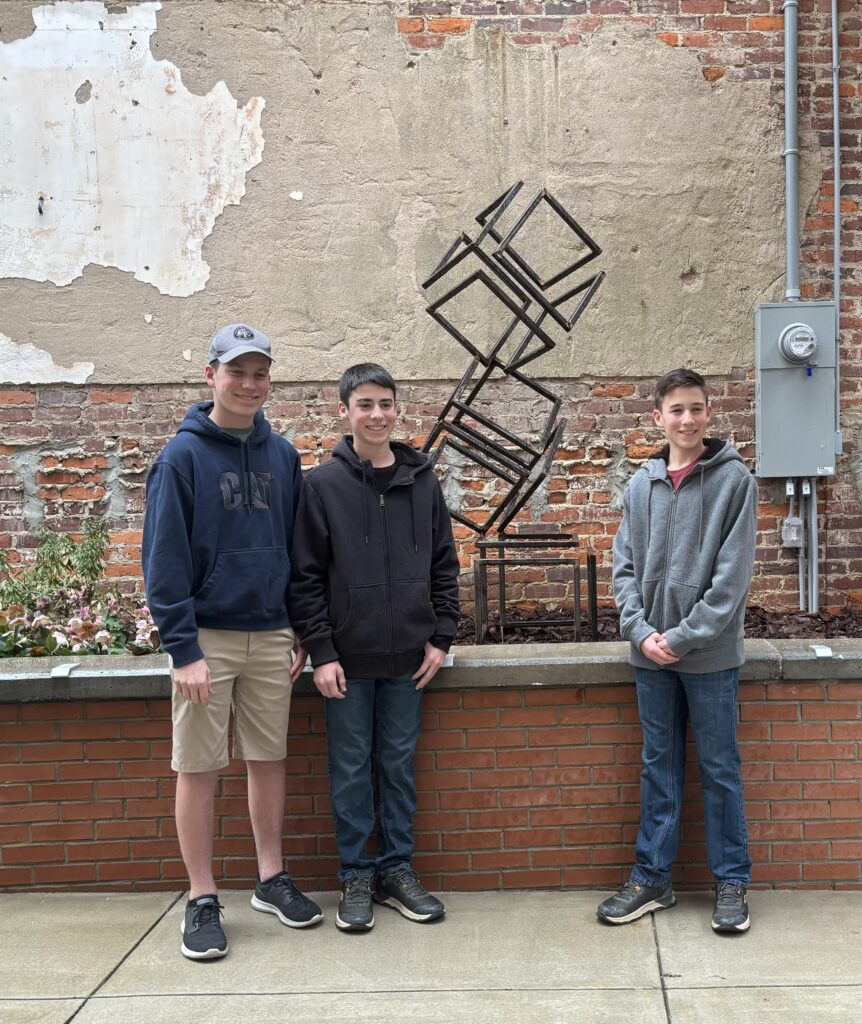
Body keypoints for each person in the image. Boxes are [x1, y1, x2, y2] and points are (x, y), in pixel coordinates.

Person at [142, 323, 322, 961]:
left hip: (270, 632)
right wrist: (182, 648)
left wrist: (298, 625)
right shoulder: (182, 457)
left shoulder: (282, 456)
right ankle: (200, 897)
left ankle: (270, 880)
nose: (249, 384)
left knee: (268, 759)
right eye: (237, 371)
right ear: (211, 376)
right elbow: (161, 562)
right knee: (199, 767)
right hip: (208, 639)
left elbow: (298, 550)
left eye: (260, 373)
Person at [289, 362, 460, 932]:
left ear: (397, 409)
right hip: (346, 663)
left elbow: (444, 565)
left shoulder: (423, 482)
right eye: (365, 404)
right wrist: (321, 650)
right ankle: (357, 876)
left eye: (386, 403)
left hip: (410, 661)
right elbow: (305, 576)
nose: (377, 414)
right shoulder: (321, 487)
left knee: (397, 768)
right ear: (345, 411)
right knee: (350, 771)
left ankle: (396, 871)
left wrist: (441, 637)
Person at [596, 367, 757, 934]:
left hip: (709, 658)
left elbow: (731, 582)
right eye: (676, 410)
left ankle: (732, 881)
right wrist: (641, 633)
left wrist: (681, 637)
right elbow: (623, 569)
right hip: (650, 658)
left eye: (696, 408)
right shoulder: (640, 485)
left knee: (720, 770)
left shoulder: (735, 482)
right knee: (657, 768)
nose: (686, 419)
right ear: (657, 417)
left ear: (709, 412)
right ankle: (652, 879)